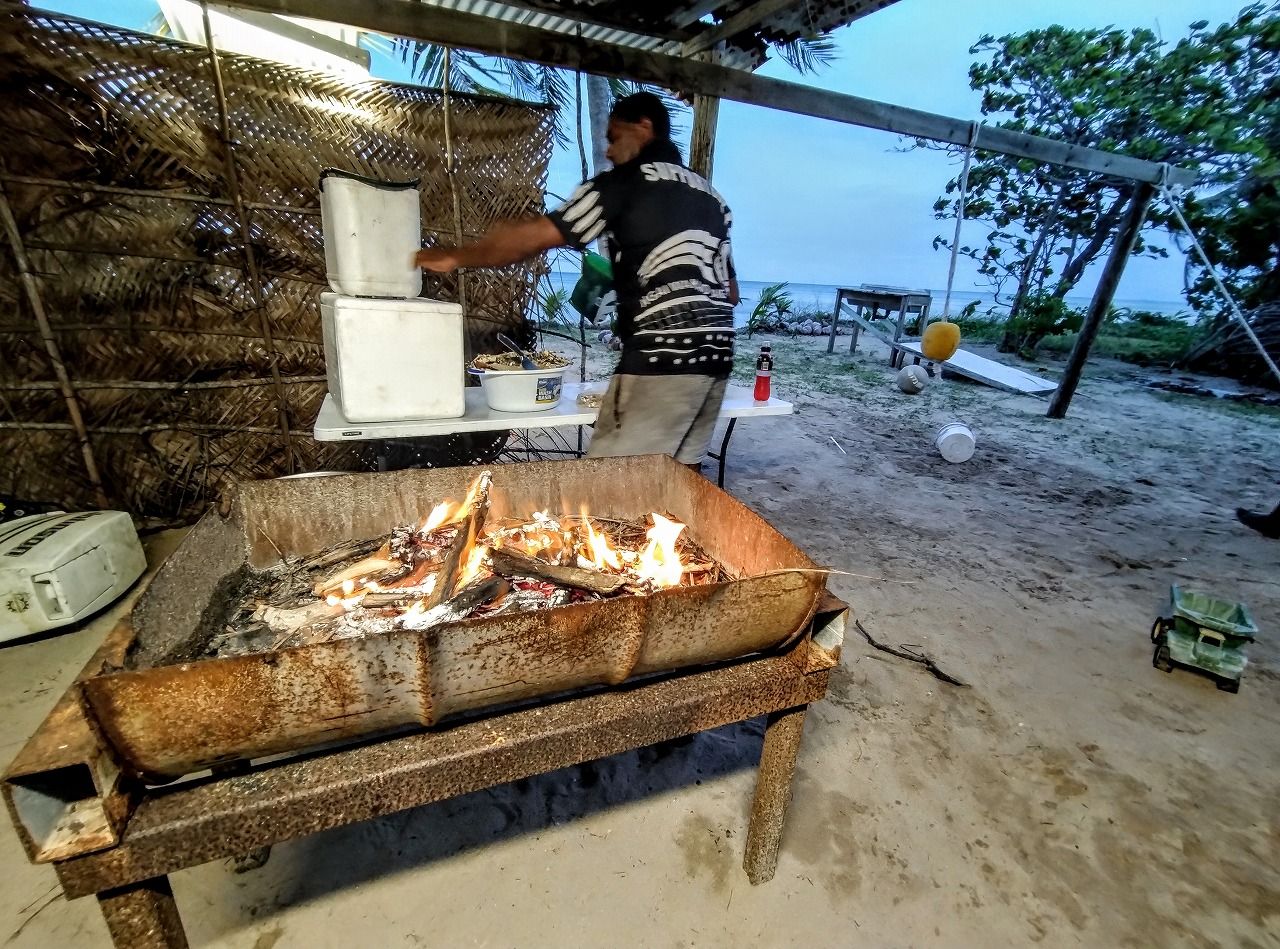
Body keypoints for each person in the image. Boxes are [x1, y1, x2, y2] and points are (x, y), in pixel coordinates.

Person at [414, 92, 739, 467]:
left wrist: (457, 255)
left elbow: (532, 239)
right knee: (680, 475)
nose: (610, 151)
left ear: (644, 127)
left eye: (614, 138)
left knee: (611, 482)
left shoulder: (622, 185)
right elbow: (728, 292)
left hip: (661, 357)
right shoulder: (713, 198)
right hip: (716, 357)